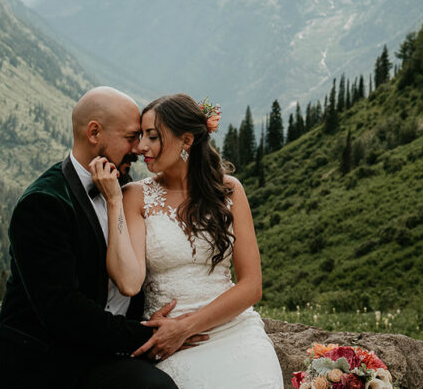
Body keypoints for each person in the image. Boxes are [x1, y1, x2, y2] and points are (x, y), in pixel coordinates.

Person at [0, 87, 202, 389]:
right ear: (94, 133)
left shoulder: (128, 188)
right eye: (132, 137)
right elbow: (64, 312)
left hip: (107, 355)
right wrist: (150, 334)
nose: (140, 148)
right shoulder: (43, 203)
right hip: (46, 360)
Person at [89, 93, 284, 388]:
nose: (141, 147)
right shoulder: (135, 197)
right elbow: (129, 283)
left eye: (152, 137)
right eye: (141, 136)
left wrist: (186, 326)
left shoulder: (229, 191)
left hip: (236, 333)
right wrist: (114, 200)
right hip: (173, 344)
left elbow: (251, 285)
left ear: (187, 141)